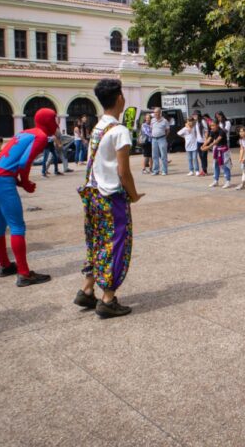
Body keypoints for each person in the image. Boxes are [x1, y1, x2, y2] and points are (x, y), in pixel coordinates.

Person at [74, 79, 144, 318]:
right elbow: (124, 173)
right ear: (119, 99)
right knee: (115, 245)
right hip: (111, 197)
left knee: (96, 241)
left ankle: (87, 288)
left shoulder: (97, 128)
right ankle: (108, 298)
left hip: (92, 194)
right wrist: (134, 196)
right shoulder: (120, 130)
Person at [0, 108, 58, 286]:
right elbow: (24, 162)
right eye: (54, 120)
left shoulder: (25, 132)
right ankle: (24, 273)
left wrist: (19, 181)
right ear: (49, 121)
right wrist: (24, 182)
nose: (56, 124)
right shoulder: (40, 136)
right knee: (17, 226)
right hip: (3, 180)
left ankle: (4, 265)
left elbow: (8, 161)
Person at [201, 120, 231, 188]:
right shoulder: (212, 131)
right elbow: (209, 139)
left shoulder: (222, 131)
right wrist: (203, 145)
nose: (212, 127)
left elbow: (217, 140)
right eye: (211, 126)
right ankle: (215, 181)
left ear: (217, 125)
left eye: (213, 125)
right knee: (215, 165)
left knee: (224, 165)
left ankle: (227, 181)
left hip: (224, 150)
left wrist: (208, 147)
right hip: (217, 149)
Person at [150, 107, 170, 175]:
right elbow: (151, 128)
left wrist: (164, 136)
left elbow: (168, 130)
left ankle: (164, 170)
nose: (155, 114)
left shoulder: (165, 121)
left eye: (157, 112)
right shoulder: (152, 120)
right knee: (154, 155)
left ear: (160, 113)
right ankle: (156, 170)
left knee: (163, 155)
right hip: (154, 139)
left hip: (162, 139)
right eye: (154, 112)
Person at [192, 110, 209, 175]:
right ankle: (204, 170)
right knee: (201, 156)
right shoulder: (196, 122)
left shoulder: (202, 121)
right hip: (198, 141)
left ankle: (204, 170)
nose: (193, 116)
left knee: (204, 156)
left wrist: (206, 141)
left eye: (195, 115)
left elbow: (206, 131)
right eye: (193, 115)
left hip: (204, 141)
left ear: (198, 115)